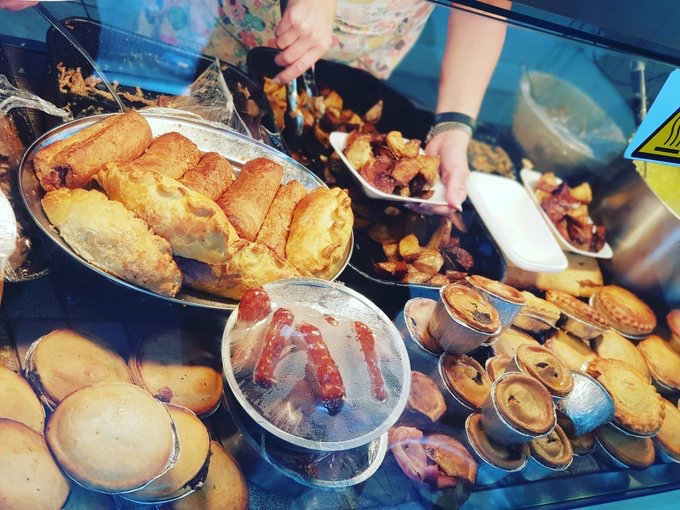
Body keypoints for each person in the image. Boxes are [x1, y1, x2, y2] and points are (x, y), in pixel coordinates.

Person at [1, 0, 511, 210]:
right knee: (130, 114)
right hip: (211, 21)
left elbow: (487, 6)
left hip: (349, 50)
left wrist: (453, 123)